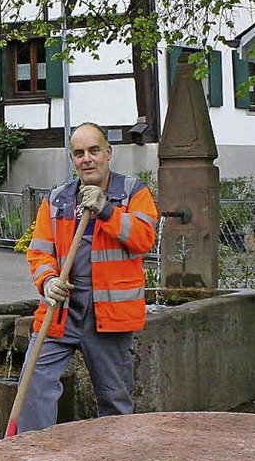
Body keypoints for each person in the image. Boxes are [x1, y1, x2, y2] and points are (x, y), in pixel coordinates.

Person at [17, 121, 158, 433]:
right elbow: (39, 251)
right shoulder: (56, 200)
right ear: (72, 159)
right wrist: (48, 281)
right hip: (61, 310)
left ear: (108, 153)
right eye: (79, 153)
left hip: (109, 315)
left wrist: (107, 211)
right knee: (33, 387)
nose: (87, 158)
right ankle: (32, 454)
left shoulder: (133, 193)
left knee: (114, 398)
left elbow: (144, 239)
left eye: (94, 150)